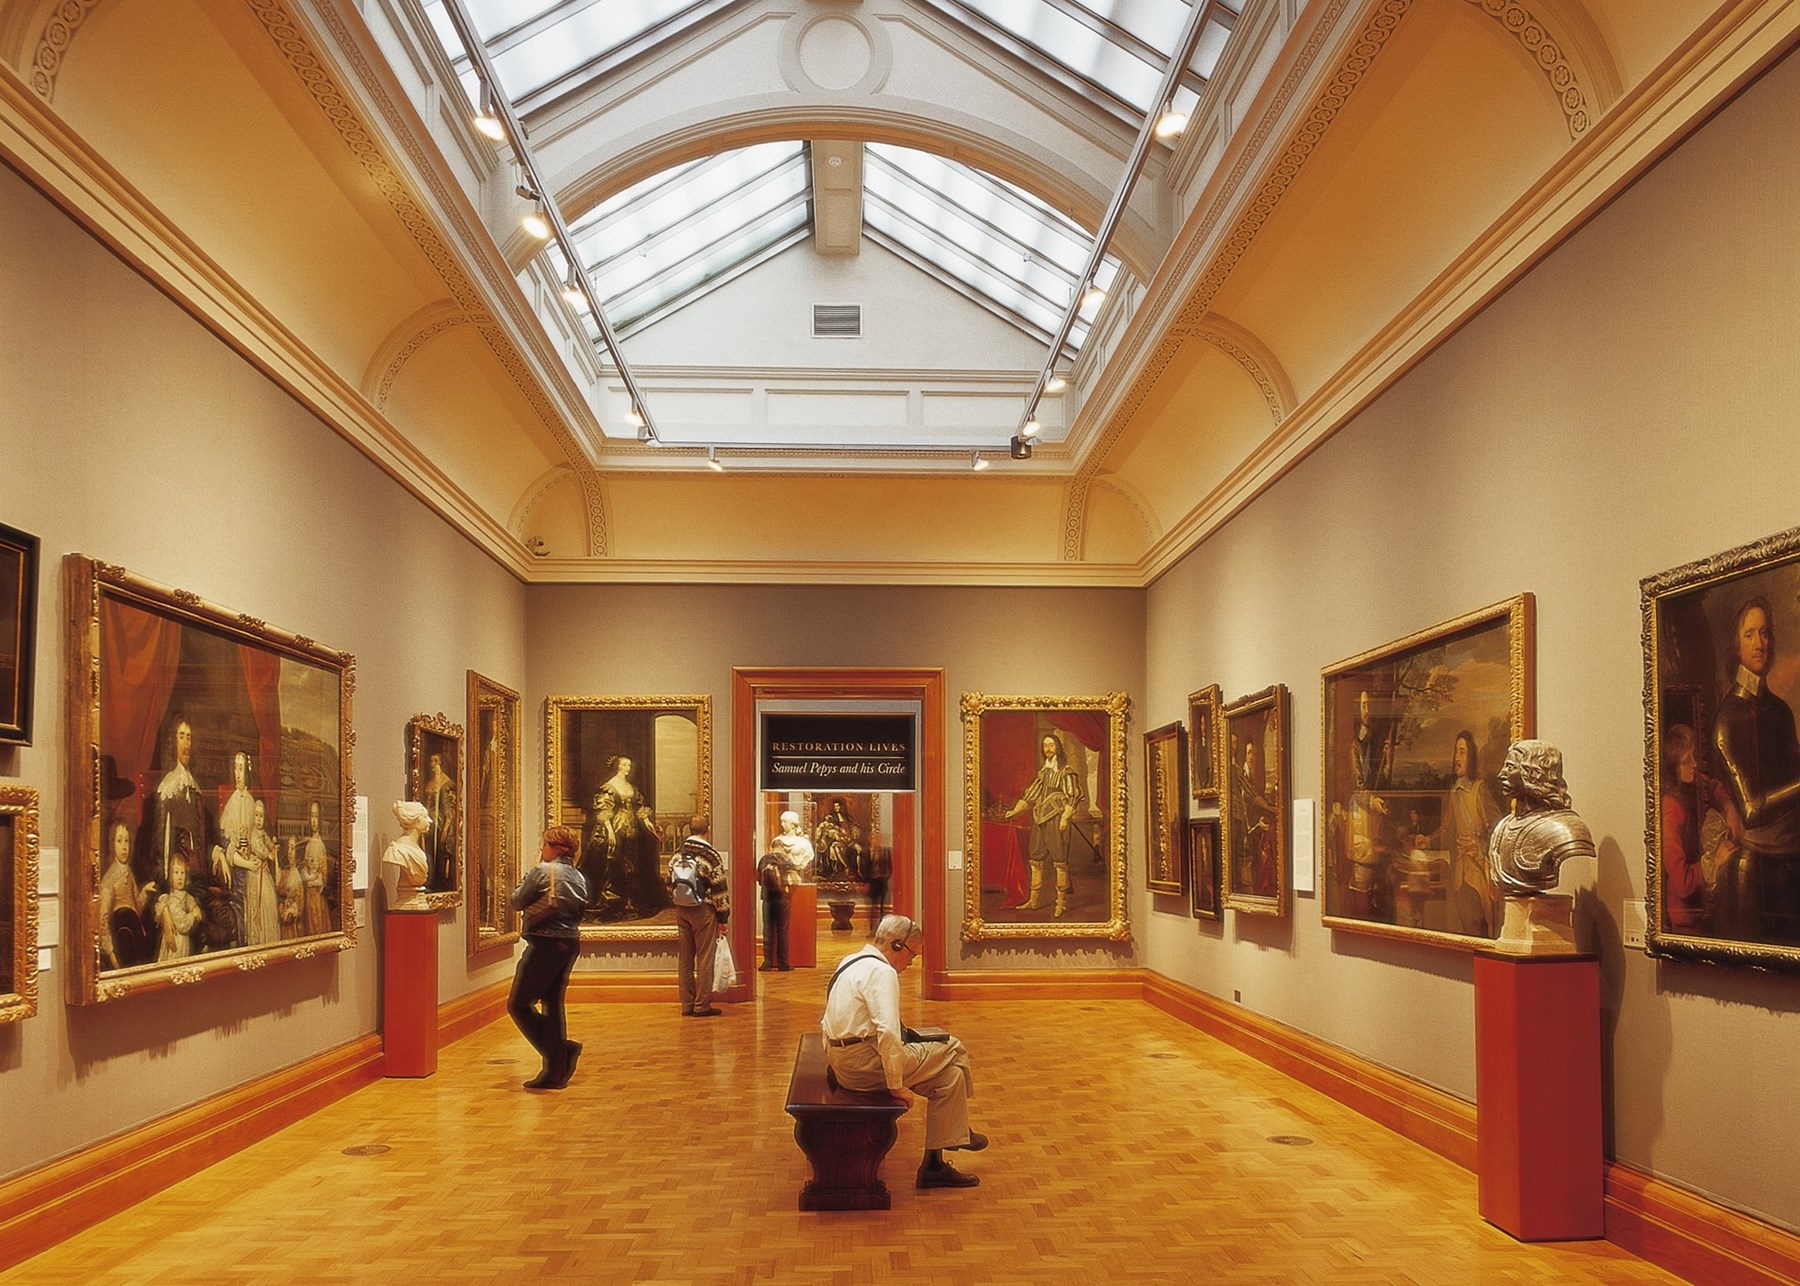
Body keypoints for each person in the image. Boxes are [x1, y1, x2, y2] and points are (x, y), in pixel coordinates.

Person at [820, 914, 986, 1191]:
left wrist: (834, 1060)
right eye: (911, 956)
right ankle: (961, 1132)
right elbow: (887, 1033)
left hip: (844, 1061)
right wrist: (896, 1086)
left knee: (951, 1079)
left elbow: (829, 1018)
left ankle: (934, 1167)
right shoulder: (882, 972)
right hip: (864, 1066)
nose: (910, 964)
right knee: (955, 1047)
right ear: (896, 946)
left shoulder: (850, 961)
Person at [1712, 596, 1800, 940]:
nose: (1760, 643)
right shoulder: (1727, 719)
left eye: (1764, 633)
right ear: (1736, 646)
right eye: (1750, 634)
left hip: (1793, 862)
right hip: (1755, 874)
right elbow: (1750, 809)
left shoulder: (1779, 710)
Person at [507, 826, 589, 1090]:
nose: (541, 850)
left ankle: (561, 1052)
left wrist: (530, 873)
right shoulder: (578, 876)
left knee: (518, 1005)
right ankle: (554, 1072)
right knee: (552, 1004)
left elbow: (516, 901)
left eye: (544, 845)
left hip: (545, 942)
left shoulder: (544, 870)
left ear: (555, 848)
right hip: (569, 943)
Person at [1409, 731, 1501, 937]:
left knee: (1478, 930)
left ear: (1471, 758)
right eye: (1455, 752)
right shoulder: (1454, 791)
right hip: (1459, 876)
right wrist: (1428, 840)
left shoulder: (1480, 790)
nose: (1457, 758)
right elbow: (1446, 829)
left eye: (1462, 752)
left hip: (1478, 874)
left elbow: (1499, 831)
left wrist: (1478, 845)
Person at [1660, 723, 1743, 933]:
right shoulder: (1671, 812)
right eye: (1686, 762)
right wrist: (1715, 860)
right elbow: (1682, 883)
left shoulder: (1691, 783)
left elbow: (1714, 787)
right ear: (1672, 768)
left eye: (1694, 757)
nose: (1695, 765)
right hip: (1685, 917)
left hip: (1703, 909)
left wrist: (1730, 809)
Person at [1487, 740, 1596, 897]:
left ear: (1533, 773)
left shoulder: (1564, 829)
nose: (1501, 774)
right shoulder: (1502, 828)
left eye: (1510, 767)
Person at [1005, 732, 1086, 916]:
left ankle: (1060, 904)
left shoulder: (1067, 773)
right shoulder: (1043, 773)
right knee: (1036, 859)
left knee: (1059, 861)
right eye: (1045, 746)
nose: (1048, 749)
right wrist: (1015, 811)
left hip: (1057, 820)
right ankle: (1033, 901)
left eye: (1051, 745)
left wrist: (1065, 817)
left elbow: (1073, 796)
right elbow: (1030, 795)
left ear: (1057, 747)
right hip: (1040, 820)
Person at [668, 816, 729, 1017]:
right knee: (704, 958)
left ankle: (686, 1004)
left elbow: (669, 881)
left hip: (681, 908)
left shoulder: (678, 853)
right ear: (707, 830)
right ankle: (702, 1005)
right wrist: (723, 918)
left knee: (685, 959)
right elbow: (720, 888)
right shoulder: (710, 855)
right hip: (704, 910)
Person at [144, 715, 207, 889]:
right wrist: (164, 878)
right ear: (174, 741)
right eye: (181, 736)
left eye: (189, 737)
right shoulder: (167, 788)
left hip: (196, 874)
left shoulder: (195, 787)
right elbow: (159, 843)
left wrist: (217, 854)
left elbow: (203, 837)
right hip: (175, 876)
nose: (186, 744)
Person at [98, 817, 156, 968]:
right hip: (121, 940)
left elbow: (136, 907)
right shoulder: (109, 880)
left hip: (135, 934)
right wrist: (111, 954)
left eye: (127, 841)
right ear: (112, 844)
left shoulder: (128, 871)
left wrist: (144, 891)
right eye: (119, 841)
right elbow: (102, 920)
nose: (124, 847)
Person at [242, 797, 282, 947]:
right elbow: (258, 848)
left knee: (270, 899)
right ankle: (260, 940)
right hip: (255, 874)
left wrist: (274, 846)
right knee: (261, 904)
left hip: (263, 873)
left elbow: (269, 844)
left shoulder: (263, 832)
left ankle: (270, 939)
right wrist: (269, 854)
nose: (258, 819)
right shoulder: (252, 833)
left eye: (261, 816)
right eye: (256, 815)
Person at [381, 800, 433, 909]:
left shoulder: (416, 849)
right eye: (425, 817)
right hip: (405, 903)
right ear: (415, 820)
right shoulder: (397, 850)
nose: (430, 821)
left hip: (417, 902)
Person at [155, 855, 203, 962]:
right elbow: (182, 925)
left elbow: (191, 902)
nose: (180, 877)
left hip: (184, 941)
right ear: (171, 876)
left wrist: (195, 907)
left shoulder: (185, 895)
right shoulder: (171, 901)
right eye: (176, 872)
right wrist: (193, 915)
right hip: (177, 941)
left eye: (183, 873)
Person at [421, 751, 458, 891]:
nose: (433, 765)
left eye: (436, 761)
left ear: (441, 763)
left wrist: (446, 830)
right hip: (429, 824)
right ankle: (430, 880)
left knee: (441, 855)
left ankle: (441, 881)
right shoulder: (429, 784)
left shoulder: (447, 783)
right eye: (431, 761)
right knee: (428, 854)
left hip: (441, 824)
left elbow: (450, 810)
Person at [813, 797, 863, 883]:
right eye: (835, 806)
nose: (836, 808)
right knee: (834, 847)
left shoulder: (846, 817)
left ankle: (856, 870)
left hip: (848, 840)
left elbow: (852, 827)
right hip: (838, 840)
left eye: (838, 806)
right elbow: (827, 830)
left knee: (859, 850)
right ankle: (845, 867)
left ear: (841, 807)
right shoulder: (831, 818)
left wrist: (854, 832)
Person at [757, 849, 792, 971]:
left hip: (767, 900)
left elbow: (759, 880)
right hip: (782, 899)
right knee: (782, 931)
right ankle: (783, 963)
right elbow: (792, 880)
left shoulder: (763, 860)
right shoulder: (786, 861)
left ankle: (767, 962)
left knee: (768, 931)